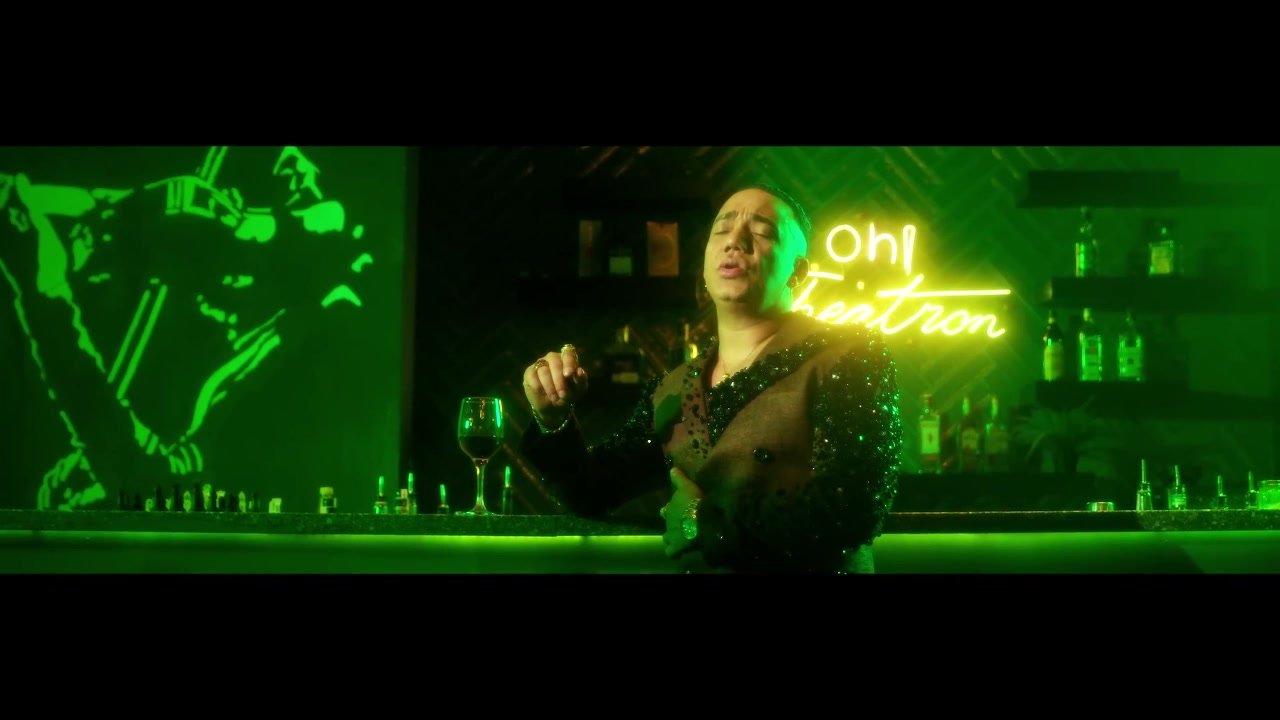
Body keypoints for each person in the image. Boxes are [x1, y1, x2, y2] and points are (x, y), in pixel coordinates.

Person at [519, 183, 902, 573]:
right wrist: (553, 419)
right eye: (721, 229)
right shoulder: (672, 389)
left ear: (798, 271)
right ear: (704, 263)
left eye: (762, 231)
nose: (735, 241)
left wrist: (704, 522)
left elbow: (853, 508)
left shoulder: (849, 356)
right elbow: (589, 492)